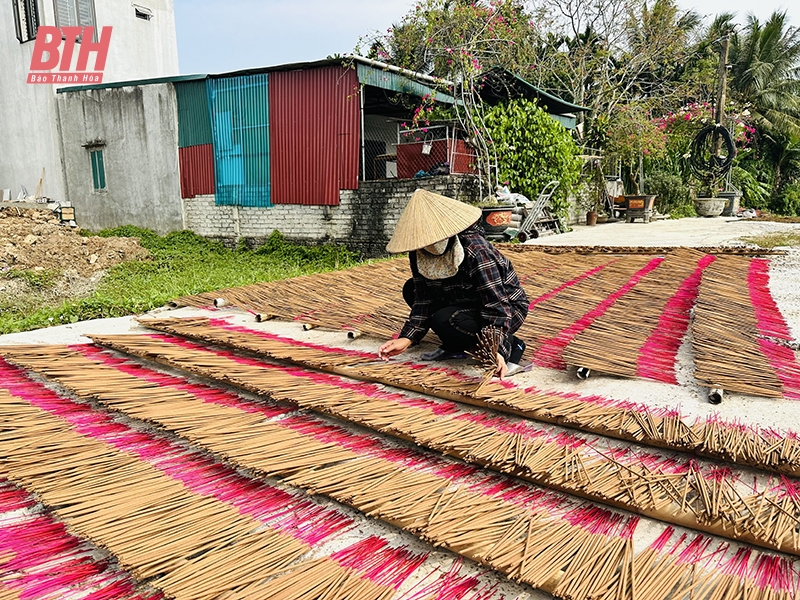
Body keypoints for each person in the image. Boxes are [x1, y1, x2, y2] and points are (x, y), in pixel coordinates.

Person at [378, 188, 529, 379]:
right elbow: (423, 300)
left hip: (505, 306)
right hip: (461, 298)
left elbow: (495, 305)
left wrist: (496, 347)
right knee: (411, 289)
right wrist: (407, 338)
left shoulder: (476, 251)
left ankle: (512, 343)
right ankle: (455, 345)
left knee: (445, 319)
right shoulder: (418, 253)